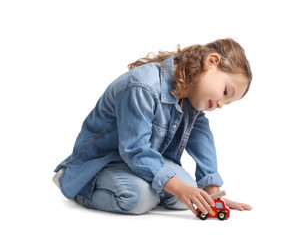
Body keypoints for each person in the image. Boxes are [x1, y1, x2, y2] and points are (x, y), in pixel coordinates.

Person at [53, 38, 253, 216]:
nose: (220, 104)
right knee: (138, 197)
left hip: (142, 160)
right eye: (225, 91)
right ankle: (77, 186)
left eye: (227, 103)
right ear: (211, 61)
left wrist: (213, 195)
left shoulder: (193, 99)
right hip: (105, 160)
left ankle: (153, 188)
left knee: (189, 194)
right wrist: (176, 188)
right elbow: (134, 150)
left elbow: (202, 141)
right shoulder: (142, 87)